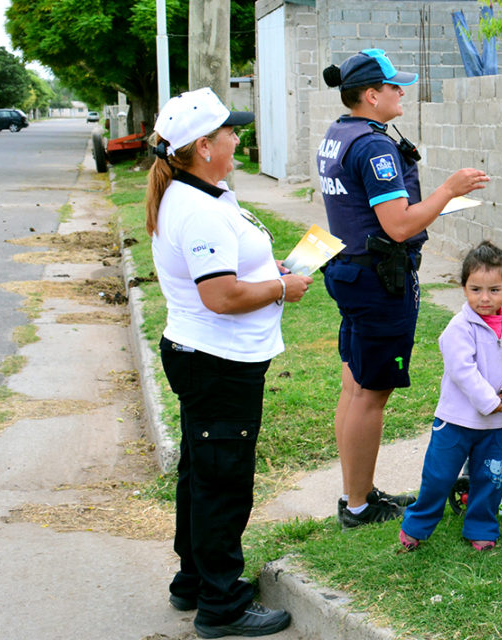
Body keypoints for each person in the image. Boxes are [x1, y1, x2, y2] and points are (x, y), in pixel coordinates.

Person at [147, 87, 311, 638]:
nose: (238, 139)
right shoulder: (196, 210)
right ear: (203, 145)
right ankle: (222, 604)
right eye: (230, 133)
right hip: (217, 362)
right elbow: (220, 296)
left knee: (200, 471)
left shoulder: (206, 193)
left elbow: (231, 271)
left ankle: (192, 579)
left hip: (210, 357)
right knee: (223, 482)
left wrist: (276, 268)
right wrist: (283, 288)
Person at [318, 49, 490, 528]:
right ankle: (358, 506)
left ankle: (357, 492)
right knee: (372, 392)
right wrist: (448, 190)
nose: (401, 92)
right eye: (394, 86)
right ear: (371, 95)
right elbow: (397, 225)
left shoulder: (339, 133)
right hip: (378, 280)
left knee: (355, 383)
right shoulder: (373, 146)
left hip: (352, 272)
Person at [398, 241, 502, 552]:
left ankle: (481, 527)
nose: (484, 298)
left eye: (494, 290)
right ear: (463, 288)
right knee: (438, 477)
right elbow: (462, 371)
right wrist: (490, 401)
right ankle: (417, 526)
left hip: (495, 425)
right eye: (475, 289)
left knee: (491, 478)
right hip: (456, 422)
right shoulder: (459, 328)